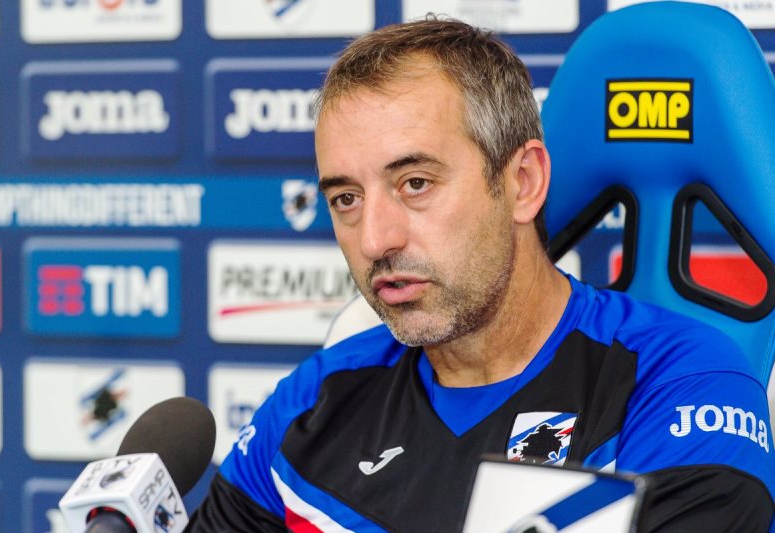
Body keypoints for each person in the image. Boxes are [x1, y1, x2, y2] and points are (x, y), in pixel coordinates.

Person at [188, 17, 775, 532]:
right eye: (346, 199)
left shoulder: (681, 382)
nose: (374, 240)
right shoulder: (312, 402)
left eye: (415, 184)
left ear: (523, 182)